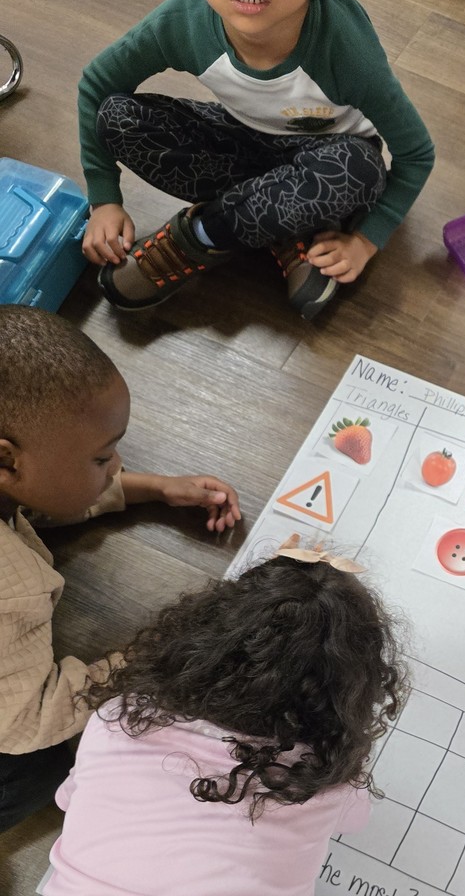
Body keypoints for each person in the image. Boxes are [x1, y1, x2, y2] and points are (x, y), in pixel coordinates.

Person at [79, 0, 435, 321]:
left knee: (359, 172)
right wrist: (104, 199)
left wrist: (366, 241)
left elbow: (416, 153)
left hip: (329, 152)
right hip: (246, 140)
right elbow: (97, 84)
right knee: (119, 119)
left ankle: (201, 236)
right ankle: (283, 224)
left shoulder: (346, 51)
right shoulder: (181, 22)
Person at [42, 536, 406, 895]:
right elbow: (356, 820)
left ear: (205, 633)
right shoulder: (320, 779)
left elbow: (68, 799)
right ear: (352, 688)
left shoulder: (119, 716)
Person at [0, 304, 241, 833]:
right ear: (7, 460)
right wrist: (155, 656)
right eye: (102, 459)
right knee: (38, 771)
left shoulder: (13, 473)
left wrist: (152, 488)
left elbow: (37, 500)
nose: (116, 466)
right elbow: (29, 718)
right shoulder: (10, 595)